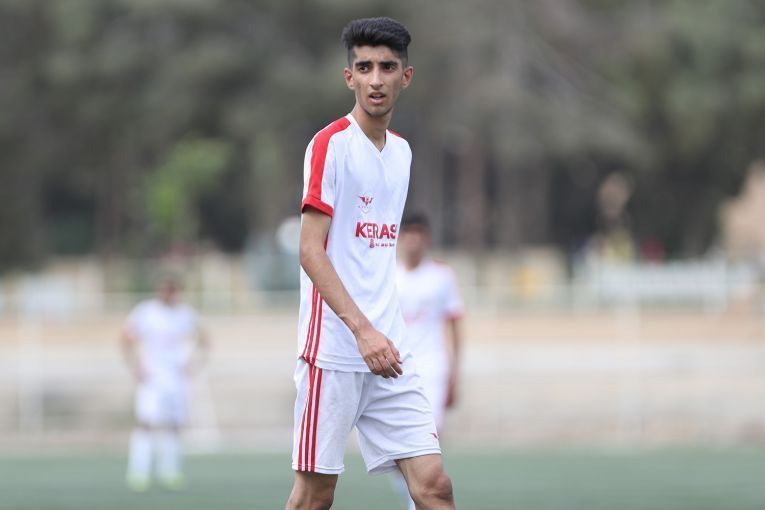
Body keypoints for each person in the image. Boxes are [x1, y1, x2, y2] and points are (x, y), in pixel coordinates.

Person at [286, 17, 456, 510]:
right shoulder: (331, 146)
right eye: (364, 68)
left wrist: (380, 334)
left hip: (390, 352)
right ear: (349, 77)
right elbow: (310, 249)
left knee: (434, 486)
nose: (375, 79)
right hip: (335, 352)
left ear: (406, 76)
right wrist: (363, 332)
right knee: (315, 497)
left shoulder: (402, 154)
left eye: (387, 67)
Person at [393, 213, 464, 510]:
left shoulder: (441, 276)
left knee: (427, 442)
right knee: (398, 448)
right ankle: (413, 501)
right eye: (408, 232)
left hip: (433, 369)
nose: (413, 239)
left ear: (427, 238)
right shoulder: (388, 275)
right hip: (396, 370)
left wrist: (454, 373)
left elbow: (454, 323)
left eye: (419, 232)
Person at [120, 276, 209, 491]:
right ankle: (138, 471)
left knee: (174, 424)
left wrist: (193, 365)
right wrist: (135, 366)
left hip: (175, 378)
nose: (168, 294)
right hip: (153, 377)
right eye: (165, 290)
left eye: (172, 290)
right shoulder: (146, 312)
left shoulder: (184, 314)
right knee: (146, 422)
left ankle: (170, 470)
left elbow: (204, 339)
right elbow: (126, 338)